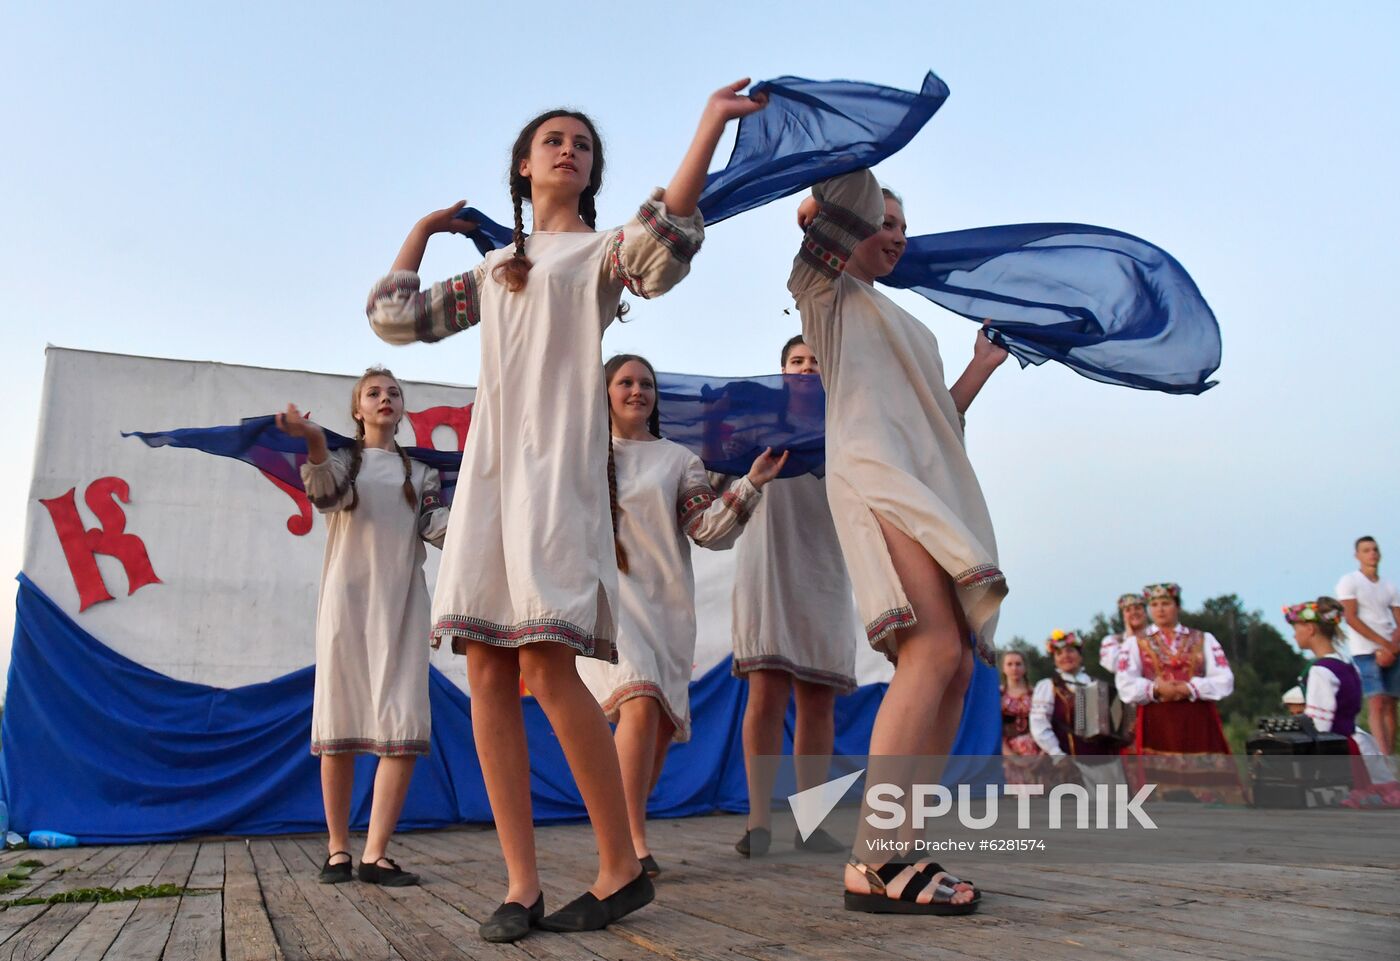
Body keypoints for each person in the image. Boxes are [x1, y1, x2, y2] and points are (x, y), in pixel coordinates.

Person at [366, 83, 767, 941]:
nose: (567, 148)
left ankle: (621, 863)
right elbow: (394, 318)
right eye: (552, 139)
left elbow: (666, 238)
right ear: (523, 164)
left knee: (546, 667)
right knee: (483, 668)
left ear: (590, 173)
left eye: (582, 143)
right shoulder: (494, 269)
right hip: (490, 477)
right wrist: (426, 230)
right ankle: (521, 884)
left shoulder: (599, 256)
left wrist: (706, 125)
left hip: (557, 478)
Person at [791, 169, 1009, 915]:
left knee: (955, 671)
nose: (895, 234)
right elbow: (830, 206)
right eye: (881, 220)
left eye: (902, 226)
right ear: (845, 228)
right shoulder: (826, 296)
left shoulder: (914, 327)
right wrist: (843, 179)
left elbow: (938, 424)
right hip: (874, 471)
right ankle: (874, 857)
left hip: (929, 477)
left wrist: (978, 369)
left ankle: (899, 843)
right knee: (931, 650)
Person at [577, 354, 786, 878]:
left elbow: (707, 529)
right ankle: (631, 846)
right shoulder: (579, 453)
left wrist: (752, 482)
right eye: (624, 382)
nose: (636, 391)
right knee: (641, 703)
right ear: (604, 392)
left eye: (645, 383)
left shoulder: (678, 460)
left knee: (660, 728)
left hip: (666, 607)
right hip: (607, 602)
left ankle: (627, 827)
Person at [276, 367, 450, 888]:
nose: (385, 399)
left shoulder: (420, 474)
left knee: (401, 722)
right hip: (347, 607)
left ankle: (375, 854)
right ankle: (336, 849)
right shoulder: (342, 463)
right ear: (357, 409)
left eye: (394, 393)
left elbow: (439, 528)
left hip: (400, 606)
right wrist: (310, 440)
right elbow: (326, 496)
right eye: (374, 393)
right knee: (340, 725)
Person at [729, 335, 857, 858]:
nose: (806, 368)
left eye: (814, 360)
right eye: (796, 361)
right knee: (767, 692)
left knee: (818, 698)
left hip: (826, 564)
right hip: (769, 562)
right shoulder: (758, 424)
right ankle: (759, 822)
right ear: (781, 372)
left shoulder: (848, 424)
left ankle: (813, 821)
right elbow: (718, 477)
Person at [1115, 583, 1244, 804]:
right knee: (1161, 790)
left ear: (1177, 606)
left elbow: (1224, 679)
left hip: (1197, 720)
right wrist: (1155, 688)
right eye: (1154, 605)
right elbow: (1125, 683)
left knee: (1209, 789)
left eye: (1165, 603)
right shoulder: (1135, 643)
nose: (1160, 609)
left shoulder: (1203, 639)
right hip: (1157, 723)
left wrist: (1190, 687)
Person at [1030, 631, 1126, 789]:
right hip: (1073, 765)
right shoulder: (1048, 686)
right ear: (1054, 659)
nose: (1065, 656)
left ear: (1080, 655)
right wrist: (1057, 755)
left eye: (1070, 651)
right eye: (1059, 653)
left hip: (1108, 763)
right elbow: (1039, 725)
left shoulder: (1097, 684)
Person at [1336, 537, 1400, 754]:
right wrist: (1382, 645)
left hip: (1391, 648)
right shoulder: (1350, 582)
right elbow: (1351, 618)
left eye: (1374, 550)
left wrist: (1393, 647)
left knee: (1392, 703)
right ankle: (1382, 755)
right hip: (1365, 650)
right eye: (1366, 550)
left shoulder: (1389, 586)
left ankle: (1389, 754)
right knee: (1377, 700)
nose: (1371, 554)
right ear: (1358, 555)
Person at [999, 650, 1043, 784]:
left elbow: (1047, 724)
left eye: (1018, 664)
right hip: (1008, 754)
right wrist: (1013, 757)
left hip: (1037, 751)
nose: (1014, 668)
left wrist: (1041, 756)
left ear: (1025, 667)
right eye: (1010, 664)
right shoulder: (997, 695)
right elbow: (994, 729)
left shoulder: (1036, 693)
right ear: (1003, 668)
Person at [1100, 593, 1148, 673]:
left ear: (1145, 612)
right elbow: (1113, 666)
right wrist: (1130, 639)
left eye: (1137, 608)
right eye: (1128, 610)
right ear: (1123, 615)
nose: (1133, 612)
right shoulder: (1114, 642)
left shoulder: (1157, 637)